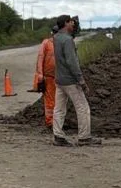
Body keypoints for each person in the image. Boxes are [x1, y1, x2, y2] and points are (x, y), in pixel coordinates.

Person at [52, 15, 99, 146]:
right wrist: (81, 80)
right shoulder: (67, 40)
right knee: (83, 108)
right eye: (71, 22)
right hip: (70, 80)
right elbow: (72, 62)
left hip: (59, 79)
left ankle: (58, 135)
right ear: (66, 23)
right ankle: (84, 137)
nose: (73, 24)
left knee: (59, 109)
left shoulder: (56, 38)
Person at [32, 26, 58, 127]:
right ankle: (50, 121)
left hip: (60, 77)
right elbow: (40, 58)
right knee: (50, 100)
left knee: (58, 100)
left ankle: (57, 120)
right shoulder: (46, 43)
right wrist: (40, 74)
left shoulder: (61, 43)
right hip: (49, 77)